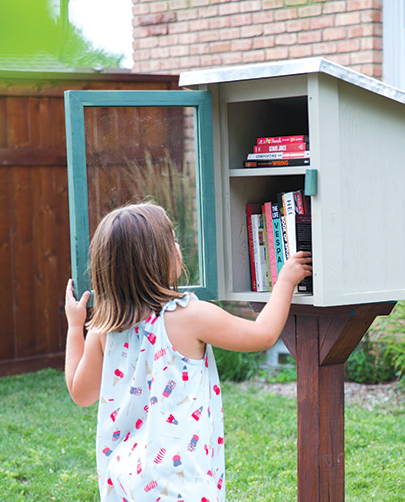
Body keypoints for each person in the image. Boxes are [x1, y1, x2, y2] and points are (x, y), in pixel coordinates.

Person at [64, 202, 312, 502]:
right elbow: (263, 335)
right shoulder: (190, 315)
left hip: (124, 484)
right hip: (180, 484)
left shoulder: (106, 328)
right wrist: (284, 281)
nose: (177, 245)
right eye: (171, 240)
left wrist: (75, 325)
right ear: (155, 259)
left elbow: (81, 393)